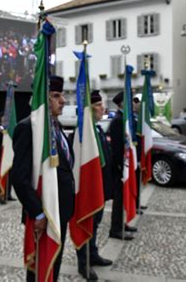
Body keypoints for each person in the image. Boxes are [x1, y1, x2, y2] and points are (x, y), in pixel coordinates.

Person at [11, 75, 75, 282]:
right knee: (39, 268)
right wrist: (38, 213)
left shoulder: (57, 126)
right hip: (43, 212)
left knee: (53, 264)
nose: (62, 100)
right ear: (42, 99)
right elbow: (19, 177)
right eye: (56, 96)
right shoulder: (28, 128)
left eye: (62, 95)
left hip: (60, 210)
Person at [75, 91, 114, 280]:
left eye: (102, 105)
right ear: (89, 109)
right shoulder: (83, 132)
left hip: (99, 188)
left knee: (96, 224)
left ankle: (93, 254)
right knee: (86, 223)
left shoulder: (97, 129)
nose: (103, 108)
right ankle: (83, 264)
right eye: (98, 105)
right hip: (87, 190)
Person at [108, 91, 135, 241]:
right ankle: (115, 228)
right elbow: (117, 147)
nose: (131, 103)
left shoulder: (123, 118)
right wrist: (121, 166)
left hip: (123, 165)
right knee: (118, 199)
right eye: (128, 100)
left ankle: (122, 224)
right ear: (121, 104)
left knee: (123, 197)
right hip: (119, 167)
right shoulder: (118, 120)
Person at [0, 113, 15, 204]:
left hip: (9, 157)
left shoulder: (10, 130)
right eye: (4, 117)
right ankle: (1, 195)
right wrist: (3, 148)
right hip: (0, 157)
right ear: (1, 118)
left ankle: (8, 194)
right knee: (1, 177)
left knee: (10, 177)